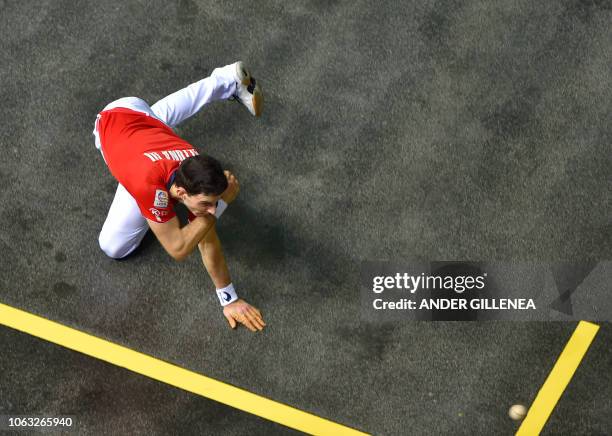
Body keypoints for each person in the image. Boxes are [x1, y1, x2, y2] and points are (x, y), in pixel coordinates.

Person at [92, 61, 266, 332]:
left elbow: (206, 239)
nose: (212, 209)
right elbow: (178, 247)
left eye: (214, 202)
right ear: (182, 192)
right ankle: (222, 81)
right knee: (113, 246)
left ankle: (225, 79)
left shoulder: (191, 162)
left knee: (157, 122)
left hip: (143, 122)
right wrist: (221, 206)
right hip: (116, 119)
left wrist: (229, 299)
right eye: (207, 204)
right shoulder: (149, 186)